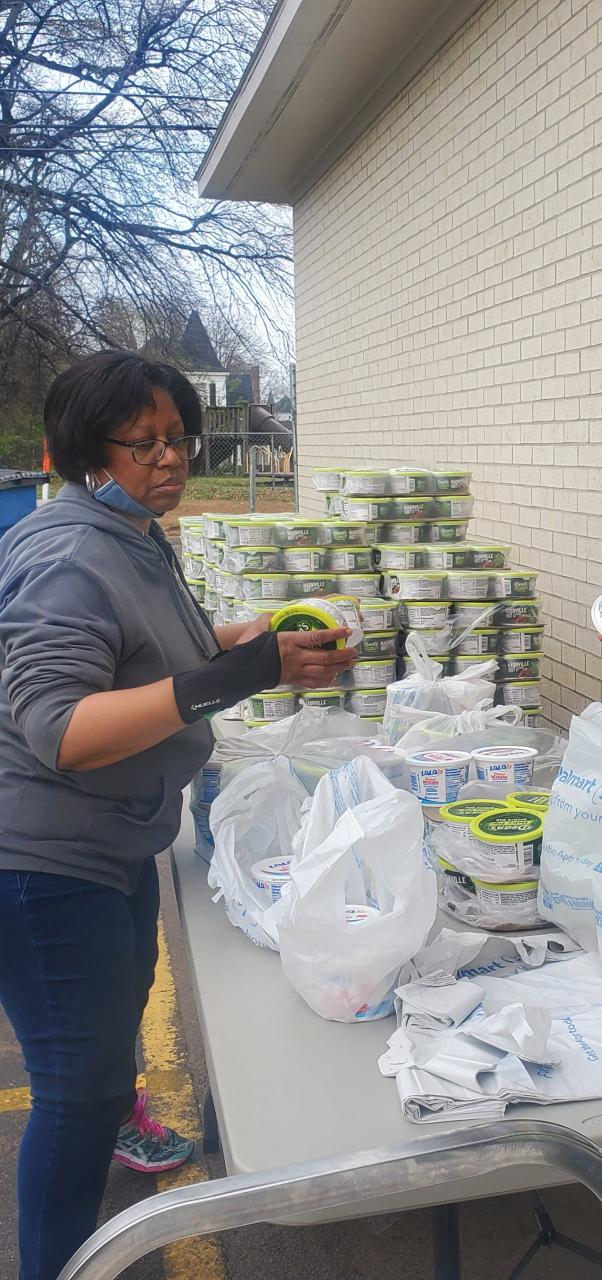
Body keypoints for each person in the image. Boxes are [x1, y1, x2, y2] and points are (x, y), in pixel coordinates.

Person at [0, 350, 356, 1280]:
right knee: (73, 1091)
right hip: (39, 861)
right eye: (144, 443)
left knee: (116, 1022)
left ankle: (121, 1130)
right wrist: (238, 674)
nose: (169, 460)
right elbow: (61, 729)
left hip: (114, 839)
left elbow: (154, 654)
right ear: (88, 450)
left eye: (177, 439)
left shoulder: (127, 534)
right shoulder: (70, 555)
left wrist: (249, 641)